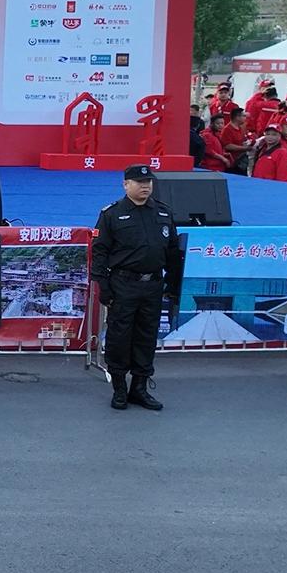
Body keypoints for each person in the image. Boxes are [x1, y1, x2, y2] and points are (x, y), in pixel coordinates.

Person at [89, 165, 182, 412]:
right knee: (119, 338)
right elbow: (100, 252)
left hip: (153, 285)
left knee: (146, 337)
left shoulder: (163, 212)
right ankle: (119, 388)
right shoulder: (112, 214)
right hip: (123, 285)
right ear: (125, 185)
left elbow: (173, 251)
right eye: (139, 182)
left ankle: (139, 388)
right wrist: (103, 287)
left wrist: (173, 284)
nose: (145, 186)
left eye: (148, 182)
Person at [220, 108, 253, 174]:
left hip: (241, 161)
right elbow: (227, 146)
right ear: (237, 117)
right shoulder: (227, 130)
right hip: (233, 163)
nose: (245, 118)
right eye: (244, 116)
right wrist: (245, 148)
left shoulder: (240, 128)